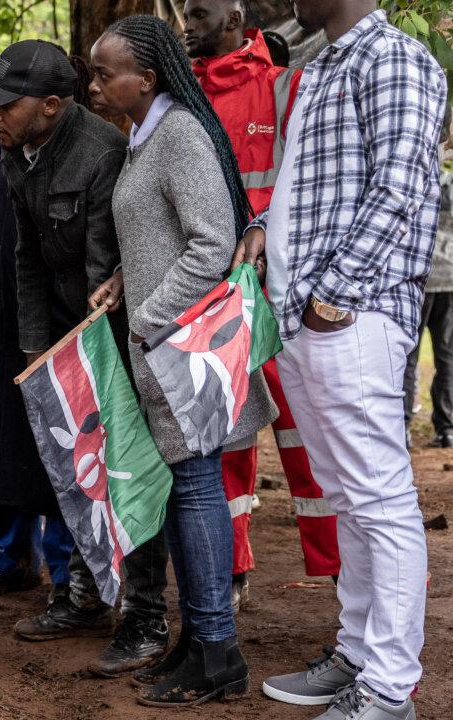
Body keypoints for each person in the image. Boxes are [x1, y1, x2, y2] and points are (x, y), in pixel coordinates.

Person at [242, 1, 446, 716]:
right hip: (308, 316)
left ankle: (389, 689)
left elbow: (402, 186)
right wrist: (267, 229)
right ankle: (358, 657)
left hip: (349, 317)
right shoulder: (322, 61)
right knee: (350, 499)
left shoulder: (392, 56)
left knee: (378, 500)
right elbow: (314, 191)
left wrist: (335, 294)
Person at [0, 39, 171, 679]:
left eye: (5, 105)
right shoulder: (14, 153)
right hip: (54, 326)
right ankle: (79, 596)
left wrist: (88, 343)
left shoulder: (104, 152)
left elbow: (111, 259)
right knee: (66, 464)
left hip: (111, 327)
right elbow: (25, 256)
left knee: (122, 469)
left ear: (51, 106)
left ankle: (145, 615)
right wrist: (33, 344)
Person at [88, 14, 278, 705]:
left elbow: (210, 244)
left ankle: (218, 653)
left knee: (197, 492)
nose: (96, 83)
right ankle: (198, 642)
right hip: (161, 352)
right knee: (185, 493)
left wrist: (148, 315)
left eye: (106, 72)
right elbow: (161, 240)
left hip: (182, 356)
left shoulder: (180, 136)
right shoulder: (146, 138)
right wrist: (122, 283)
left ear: (148, 77)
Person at [184, 0, 341, 599]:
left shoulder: (285, 88)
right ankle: (227, 574)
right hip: (210, 297)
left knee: (311, 440)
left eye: (199, 13)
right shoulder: (181, 99)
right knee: (223, 438)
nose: (188, 25)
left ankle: (343, 583)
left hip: (282, 294)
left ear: (236, 16)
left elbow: (309, 183)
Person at [0, 107, 74, 599]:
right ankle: (13, 559)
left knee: (61, 450)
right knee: (6, 446)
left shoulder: (72, 156)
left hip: (54, 324)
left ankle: (67, 574)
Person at [404, 111, 453, 450]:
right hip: (448, 280)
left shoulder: (414, 163)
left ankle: (402, 427)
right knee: (448, 356)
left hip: (418, 279)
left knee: (406, 357)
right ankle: (447, 427)